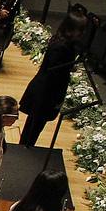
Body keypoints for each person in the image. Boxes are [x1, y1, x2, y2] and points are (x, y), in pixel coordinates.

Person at [19, 12, 88, 146]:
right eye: (80, 30)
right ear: (70, 28)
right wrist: (57, 98)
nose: (82, 33)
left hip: (46, 90)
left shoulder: (65, 43)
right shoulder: (61, 46)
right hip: (45, 92)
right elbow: (55, 73)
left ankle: (25, 148)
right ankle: (24, 150)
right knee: (33, 127)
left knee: (34, 126)